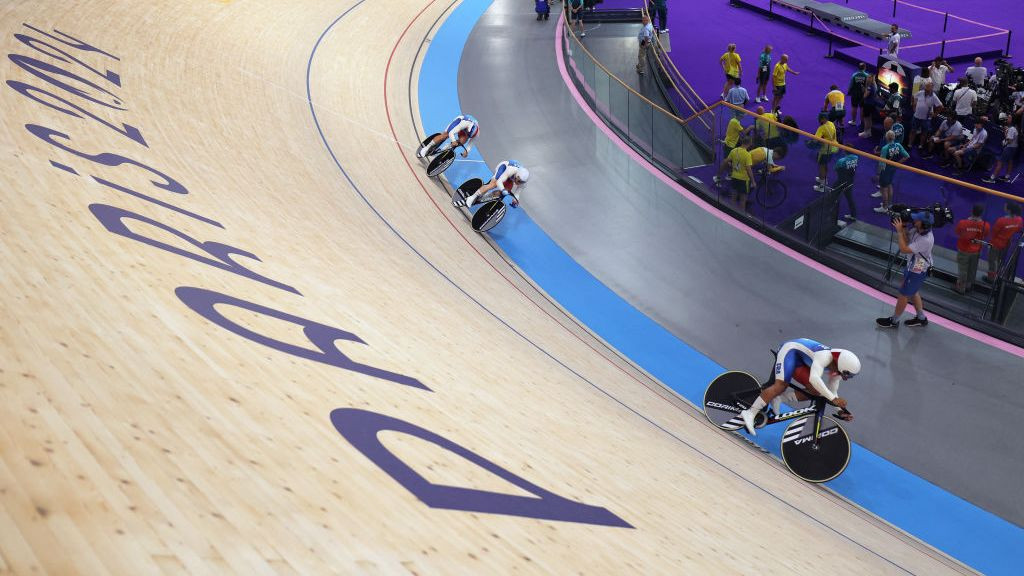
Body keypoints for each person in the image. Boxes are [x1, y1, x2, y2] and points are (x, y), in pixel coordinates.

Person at [738, 338, 860, 436]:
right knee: (780, 385)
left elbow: (832, 392)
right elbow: (815, 379)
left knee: (816, 391)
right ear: (840, 365)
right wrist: (834, 400)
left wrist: (841, 411)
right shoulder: (824, 356)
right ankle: (749, 413)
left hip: (800, 360)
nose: (845, 378)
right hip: (789, 350)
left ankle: (779, 398)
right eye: (846, 375)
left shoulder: (837, 369)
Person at [876, 211, 935, 328]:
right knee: (912, 291)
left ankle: (894, 321)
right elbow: (908, 238)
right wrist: (903, 227)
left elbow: (904, 248)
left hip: (918, 267)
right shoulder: (919, 230)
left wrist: (899, 231)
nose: (914, 221)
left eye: (917, 220)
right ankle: (921, 318)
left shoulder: (926, 240)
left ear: (923, 224)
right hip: (915, 263)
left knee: (904, 293)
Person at [457, 160, 529, 208]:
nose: (519, 183)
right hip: (504, 167)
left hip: (510, 177)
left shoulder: (523, 182)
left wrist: (515, 201)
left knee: (504, 192)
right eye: (519, 181)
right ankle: (472, 197)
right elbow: (499, 182)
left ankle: (483, 197)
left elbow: (517, 194)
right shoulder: (511, 170)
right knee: (493, 184)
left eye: (521, 182)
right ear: (517, 176)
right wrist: (503, 189)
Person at [953, 204, 990, 294]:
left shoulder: (963, 223)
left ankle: (961, 288)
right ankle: (969, 286)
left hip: (964, 250)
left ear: (972, 211)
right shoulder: (986, 225)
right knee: (972, 269)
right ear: (981, 213)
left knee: (963, 269)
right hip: (976, 251)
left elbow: (957, 232)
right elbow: (985, 235)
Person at [873, 129, 909, 213]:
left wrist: (878, 173)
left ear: (886, 137)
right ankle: (889, 204)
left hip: (885, 169)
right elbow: (907, 156)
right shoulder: (898, 145)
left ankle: (884, 207)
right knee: (889, 185)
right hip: (893, 168)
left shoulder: (885, 148)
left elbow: (882, 162)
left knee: (884, 188)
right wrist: (898, 163)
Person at [714, 135, 754, 211]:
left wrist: (733, 166)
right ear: (749, 143)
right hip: (744, 180)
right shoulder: (747, 155)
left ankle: (731, 213)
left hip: (734, 177)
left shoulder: (734, 151)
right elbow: (749, 170)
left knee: (733, 198)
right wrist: (753, 181)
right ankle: (741, 216)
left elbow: (726, 161)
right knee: (743, 200)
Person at [985, 203, 1023, 282]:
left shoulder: (1001, 221)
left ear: (1009, 210)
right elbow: (1018, 230)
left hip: (996, 244)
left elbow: (994, 233)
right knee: (1000, 261)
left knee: (992, 261)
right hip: (1007, 245)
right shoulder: (1019, 220)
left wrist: (990, 245)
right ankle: (998, 277)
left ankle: (991, 279)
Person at [983, 113, 1019, 183]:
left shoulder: (1011, 129)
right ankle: (1007, 178)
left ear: (1012, 119)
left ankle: (992, 178)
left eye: (1009, 118)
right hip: (1013, 148)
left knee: (1000, 162)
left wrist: (1005, 132)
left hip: (1009, 148)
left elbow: (1009, 140)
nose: (1007, 119)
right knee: (1010, 162)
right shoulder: (1015, 128)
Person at [909, 81, 942, 151]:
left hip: (926, 118)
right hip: (916, 116)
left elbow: (941, 106)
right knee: (913, 131)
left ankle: (921, 145)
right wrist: (913, 105)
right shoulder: (921, 92)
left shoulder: (934, 97)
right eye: (925, 88)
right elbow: (913, 96)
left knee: (924, 132)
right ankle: (910, 144)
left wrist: (935, 114)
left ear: (932, 88)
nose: (926, 90)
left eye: (927, 88)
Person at [813, 112, 838, 192]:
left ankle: (822, 186)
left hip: (824, 150)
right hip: (832, 148)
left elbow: (816, 139)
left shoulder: (822, 128)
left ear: (823, 119)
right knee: (825, 164)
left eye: (820, 118)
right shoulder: (831, 123)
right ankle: (823, 179)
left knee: (821, 167)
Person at [834, 151, 859, 225]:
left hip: (841, 182)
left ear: (845, 152)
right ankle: (853, 215)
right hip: (850, 181)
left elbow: (836, 168)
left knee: (834, 197)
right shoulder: (856, 157)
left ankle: (833, 216)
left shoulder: (841, 161)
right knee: (850, 198)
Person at [847, 63, 869, 127]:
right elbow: (868, 86)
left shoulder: (854, 75)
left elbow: (851, 85)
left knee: (854, 107)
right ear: (865, 68)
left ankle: (853, 121)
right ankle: (862, 122)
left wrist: (849, 92)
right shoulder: (867, 76)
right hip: (863, 94)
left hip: (855, 93)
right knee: (862, 108)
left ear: (858, 68)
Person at [858, 74, 880, 138]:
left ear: (870, 79)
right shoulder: (875, 85)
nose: (867, 79)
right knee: (869, 118)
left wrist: (864, 91)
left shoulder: (870, 87)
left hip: (868, 104)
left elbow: (865, 96)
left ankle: (865, 132)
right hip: (872, 104)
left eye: (868, 78)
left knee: (866, 119)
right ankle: (869, 132)